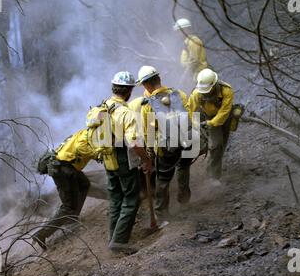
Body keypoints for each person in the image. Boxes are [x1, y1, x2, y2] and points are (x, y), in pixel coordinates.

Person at [102, 71, 152, 253]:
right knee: (131, 198)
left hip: (107, 158)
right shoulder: (125, 113)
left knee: (115, 199)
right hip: (122, 158)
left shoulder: (104, 106)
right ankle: (120, 242)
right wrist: (146, 160)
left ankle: (113, 238)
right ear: (129, 90)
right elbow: (134, 142)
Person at [138, 65, 192, 222]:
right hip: (187, 140)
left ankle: (162, 215)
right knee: (184, 168)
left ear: (146, 85)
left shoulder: (147, 105)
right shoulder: (179, 94)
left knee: (163, 179)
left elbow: (148, 132)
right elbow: (190, 115)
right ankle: (184, 202)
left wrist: (149, 154)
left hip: (166, 148)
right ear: (159, 79)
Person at [32, 129, 96, 250]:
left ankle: (72, 218)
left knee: (84, 184)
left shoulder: (84, 132)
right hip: (62, 169)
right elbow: (88, 150)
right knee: (67, 207)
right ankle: (41, 234)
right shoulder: (87, 139)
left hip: (64, 165)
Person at [188, 68, 234, 182]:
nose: (205, 92)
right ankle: (213, 177)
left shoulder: (226, 90)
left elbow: (224, 112)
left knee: (222, 144)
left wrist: (210, 123)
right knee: (216, 145)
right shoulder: (197, 93)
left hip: (225, 117)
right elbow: (190, 110)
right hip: (209, 117)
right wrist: (195, 124)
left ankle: (214, 166)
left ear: (214, 85)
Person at [174, 18, 209, 87]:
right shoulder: (188, 42)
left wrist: (184, 77)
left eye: (179, 31)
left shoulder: (192, 42)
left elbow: (194, 61)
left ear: (185, 30)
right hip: (195, 76)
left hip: (200, 76)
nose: (177, 34)